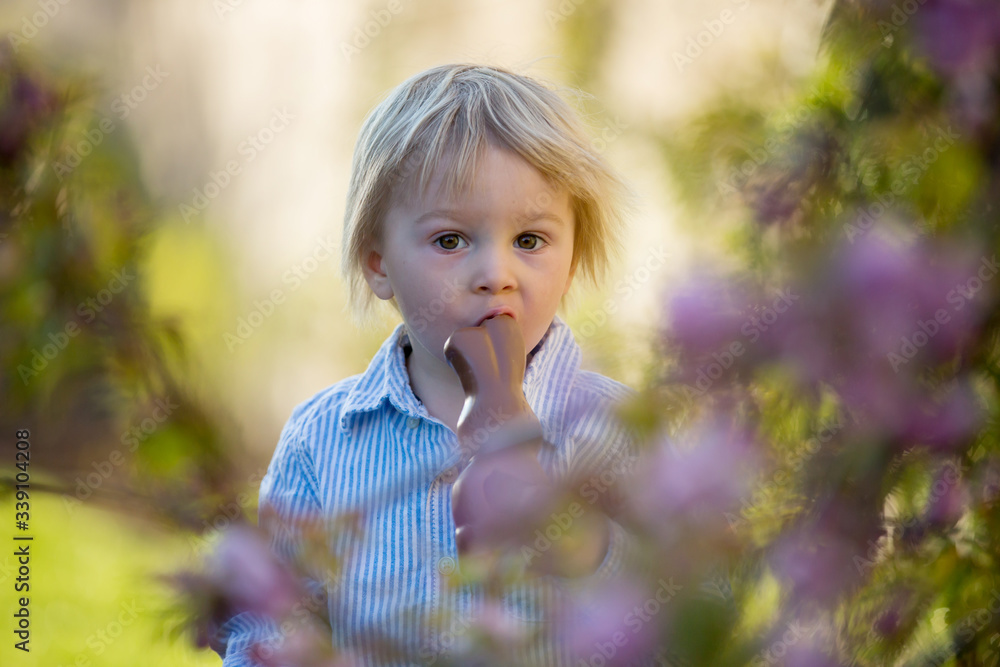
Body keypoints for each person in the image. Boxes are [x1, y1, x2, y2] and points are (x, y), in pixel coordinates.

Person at [216, 63, 646, 667]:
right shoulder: (321, 441)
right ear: (378, 264)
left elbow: (692, 620)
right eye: (450, 240)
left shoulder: (620, 431)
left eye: (529, 240)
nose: (495, 274)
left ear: (572, 260)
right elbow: (262, 631)